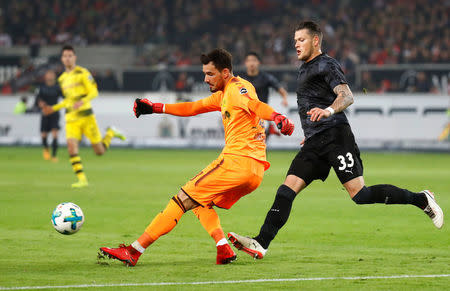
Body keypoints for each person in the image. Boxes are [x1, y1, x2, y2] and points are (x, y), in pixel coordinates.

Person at [228, 21, 444, 259]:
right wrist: (310, 134)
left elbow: (347, 95)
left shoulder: (326, 64)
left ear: (315, 40)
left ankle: (421, 199)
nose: (296, 44)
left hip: (336, 137)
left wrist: (328, 111)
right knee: (286, 190)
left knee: (359, 195)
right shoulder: (304, 68)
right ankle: (261, 243)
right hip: (314, 142)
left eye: (301, 40)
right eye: (294, 41)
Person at [99, 48, 294, 266]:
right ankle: (223, 247)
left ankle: (134, 251)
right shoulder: (224, 94)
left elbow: (256, 106)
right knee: (201, 201)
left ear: (226, 72)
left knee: (181, 199)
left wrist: (277, 116)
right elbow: (193, 107)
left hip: (236, 162)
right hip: (255, 171)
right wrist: (155, 108)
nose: (205, 78)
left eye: (210, 74)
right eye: (205, 73)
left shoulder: (238, 89)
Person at [41, 45, 126, 188]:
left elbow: (94, 91)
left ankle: (110, 133)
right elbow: (68, 101)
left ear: (74, 57)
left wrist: (82, 101)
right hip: (71, 118)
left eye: (70, 55)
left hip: (86, 117)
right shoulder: (62, 79)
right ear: (62, 59)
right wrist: (53, 108)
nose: (67, 58)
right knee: (71, 147)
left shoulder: (83, 73)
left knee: (99, 151)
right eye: (65, 56)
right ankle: (82, 180)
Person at [241, 52, 289, 138]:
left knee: (259, 141)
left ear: (258, 62)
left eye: (254, 60)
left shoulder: (266, 77)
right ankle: (270, 129)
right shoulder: (241, 80)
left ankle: (269, 129)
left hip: (261, 114)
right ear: (245, 63)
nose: (251, 63)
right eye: (249, 60)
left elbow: (281, 90)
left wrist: (284, 99)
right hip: (246, 115)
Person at [35, 70, 63, 162]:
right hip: (45, 113)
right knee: (44, 135)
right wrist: (40, 103)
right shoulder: (41, 87)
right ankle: (46, 149)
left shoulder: (58, 87)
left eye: (52, 74)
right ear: (45, 76)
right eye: (48, 74)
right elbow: (37, 100)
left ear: (54, 76)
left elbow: (65, 97)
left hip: (54, 113)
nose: (50, 76)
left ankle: (54, 156)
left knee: (55, 134)